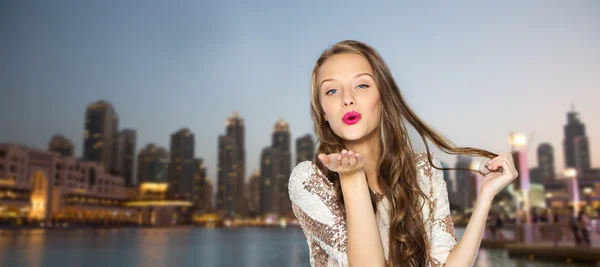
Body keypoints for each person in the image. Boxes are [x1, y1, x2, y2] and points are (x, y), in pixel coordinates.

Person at [288, 40, 519, 267]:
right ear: (323, 112)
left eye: (362, 85)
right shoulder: (310, 179)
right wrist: (351, 178)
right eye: (332, 90)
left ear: (384, 96)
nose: (347, 99)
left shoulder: (423, 170)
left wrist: (486, 196)